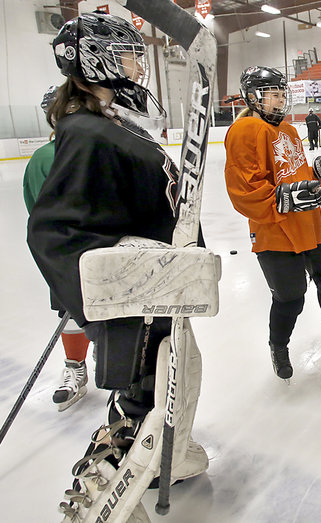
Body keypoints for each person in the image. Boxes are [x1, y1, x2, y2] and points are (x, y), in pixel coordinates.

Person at [27, 12, 208, 521]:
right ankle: (105, 491)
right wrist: (122, 282)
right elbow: (55, 230)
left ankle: (168, 458)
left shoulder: (113, 123)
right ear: (96, 59)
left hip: (165, 285)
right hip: (140, 298)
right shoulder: (86, 132)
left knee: (185, 370)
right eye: (128, 52)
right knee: (146, 397)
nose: (137, 62)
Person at [225, 66, 321, 381]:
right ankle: (278, 347)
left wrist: (320, 170)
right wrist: (285, 198)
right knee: (290, 297)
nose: (279, 101)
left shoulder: (289, 131)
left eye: (281, 94)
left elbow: (297, 174)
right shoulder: (244, 130)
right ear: (253, 97)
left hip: (310, 224)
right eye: (272, 95)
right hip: (275, 231)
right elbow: (245, 190)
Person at [23, 85, 93, 411]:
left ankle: (130, 373)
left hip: (112, 253)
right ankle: (75, 368)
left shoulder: (100, 149)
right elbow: (38, 215)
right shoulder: (43, 159)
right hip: (67, 258)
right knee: (70, 317)